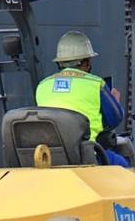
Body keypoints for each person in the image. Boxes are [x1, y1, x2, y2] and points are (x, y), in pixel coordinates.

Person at [35, 31, 128, 166]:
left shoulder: (42, 86)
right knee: (122, 164)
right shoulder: (96, 84)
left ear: (60, 62)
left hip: (50, 157)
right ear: (87, 61)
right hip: (86, 155)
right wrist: (115, 103)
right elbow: (114, 119)